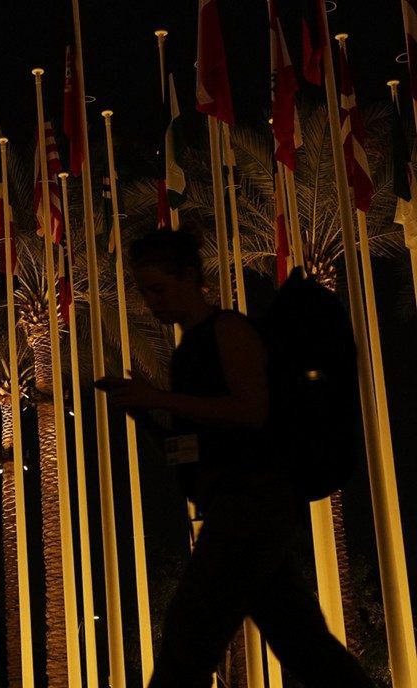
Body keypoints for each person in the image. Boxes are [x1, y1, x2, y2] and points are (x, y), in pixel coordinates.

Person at [98, 229, 372, 688]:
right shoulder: (187, 351)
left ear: (189, 277)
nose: (150, 301)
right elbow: (190, 447)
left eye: (158, 288)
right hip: (234, 505)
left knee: (189, 635)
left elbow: (251, 409)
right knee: (304, 644)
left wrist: (162, 400)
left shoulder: (229, 330)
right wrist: (144, 412)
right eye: (144, 290)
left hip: (253, 502)